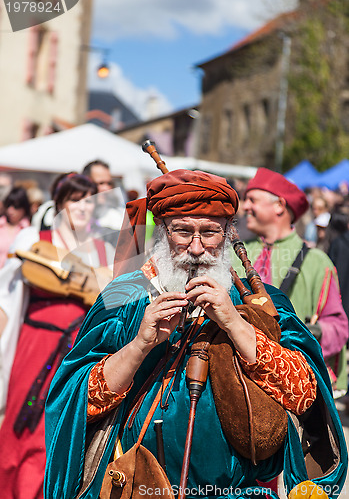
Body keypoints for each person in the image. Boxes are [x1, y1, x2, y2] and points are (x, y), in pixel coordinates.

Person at [44, 169, 347, 499]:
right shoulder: (123, 296)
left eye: (211, 233)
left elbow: (304, 394)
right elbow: (77, 402)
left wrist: (234, 323)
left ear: (228, 234)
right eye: (183, 232)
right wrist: (140, 345)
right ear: (162, 233)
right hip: (135, 489)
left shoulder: (265, 302)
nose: (197, 247)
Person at [0, 173, 115, 499]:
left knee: (58, 427)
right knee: (21, 423)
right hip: (35, 345)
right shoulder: (33, 237)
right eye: (76, 199)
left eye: (90, 199)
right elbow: (6, 297)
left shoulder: (103, 248)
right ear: (61, 202)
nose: (83, 206)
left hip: (79, 350)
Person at [234, 167, 348, 399]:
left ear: (279, 206)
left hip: (291, 385)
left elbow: (339, 328)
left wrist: (308, 332)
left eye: (252, 199)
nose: (245, 206)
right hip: (238, 381)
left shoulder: (317, 261)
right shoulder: (232, 254)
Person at [82, 160, 126, 247]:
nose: (106, 188)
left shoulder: (118, 217)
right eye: (100, 183)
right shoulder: (73, 213)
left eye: (109, 183)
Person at [0, 186, 31, 269]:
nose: (10, 211)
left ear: (24, 208)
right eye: (8, 206)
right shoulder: (1, 225)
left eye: (16, 206)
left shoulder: (29, 231)